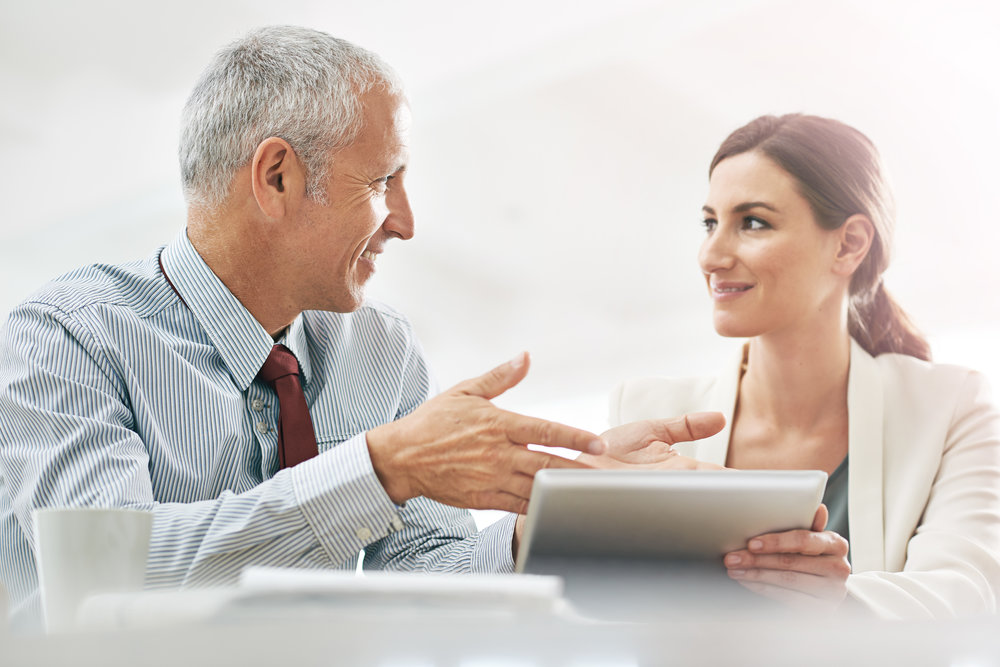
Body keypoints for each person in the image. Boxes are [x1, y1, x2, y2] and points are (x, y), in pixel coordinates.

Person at [0, 26, 719, 632]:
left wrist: (559, 516)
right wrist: (380, 468)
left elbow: (427, 574)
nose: (404, 222)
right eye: (382, 182)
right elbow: (105, 585)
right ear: (276, 177)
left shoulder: (384, 352)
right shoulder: (66, 339)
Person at [603, 114, 1000, 618]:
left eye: (752, 222)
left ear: (849, 243)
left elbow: (966, 595)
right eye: (710, 222)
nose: (711, 255)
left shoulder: (951, 407)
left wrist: (841, 600)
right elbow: (604, 601)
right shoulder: (647, 411)